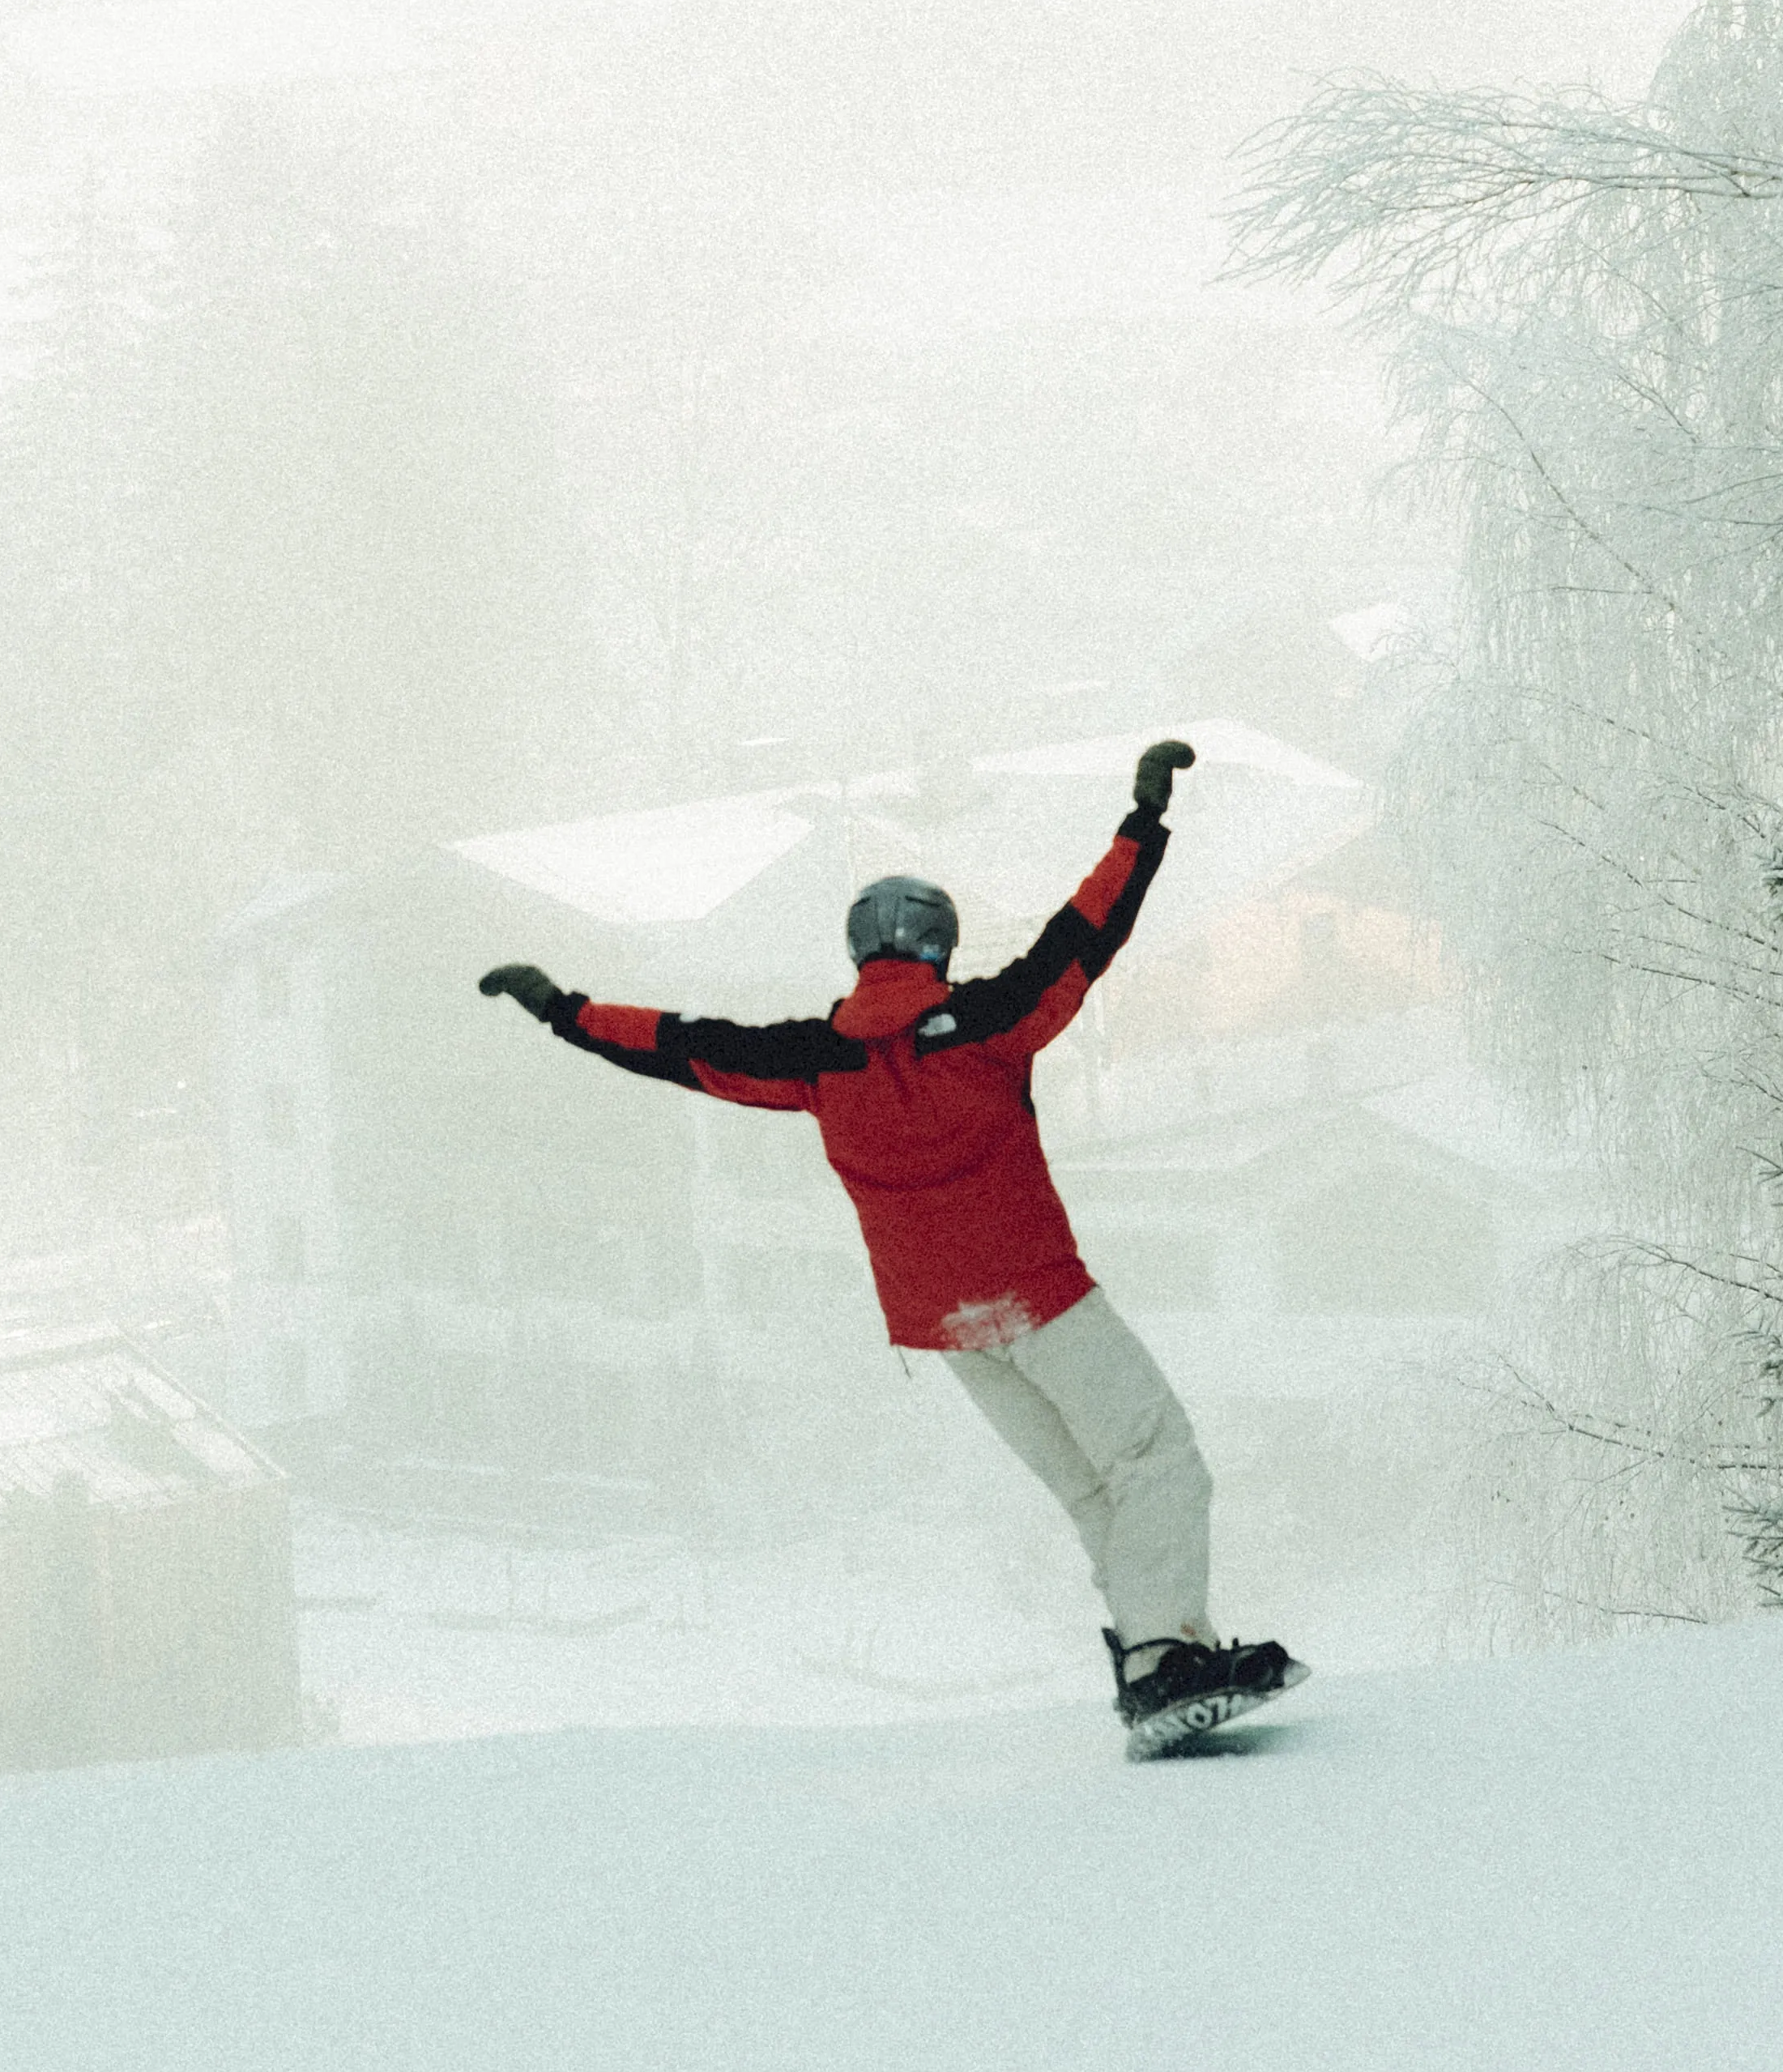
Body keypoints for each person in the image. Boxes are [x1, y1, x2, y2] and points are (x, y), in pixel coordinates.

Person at [476, 731, 1302, 1758]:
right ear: (938, 948)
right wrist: (1142, 821)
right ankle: (1167, 1661)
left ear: (860, 950)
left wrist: (562, 1009)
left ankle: (1157, 1663)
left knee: (1096, 1486)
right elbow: (1084, 935)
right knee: (1158, 1460)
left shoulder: (817, 1059)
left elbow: (686, 1046)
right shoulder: (992, 1019)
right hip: (1040, 1297)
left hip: (949, 1328)